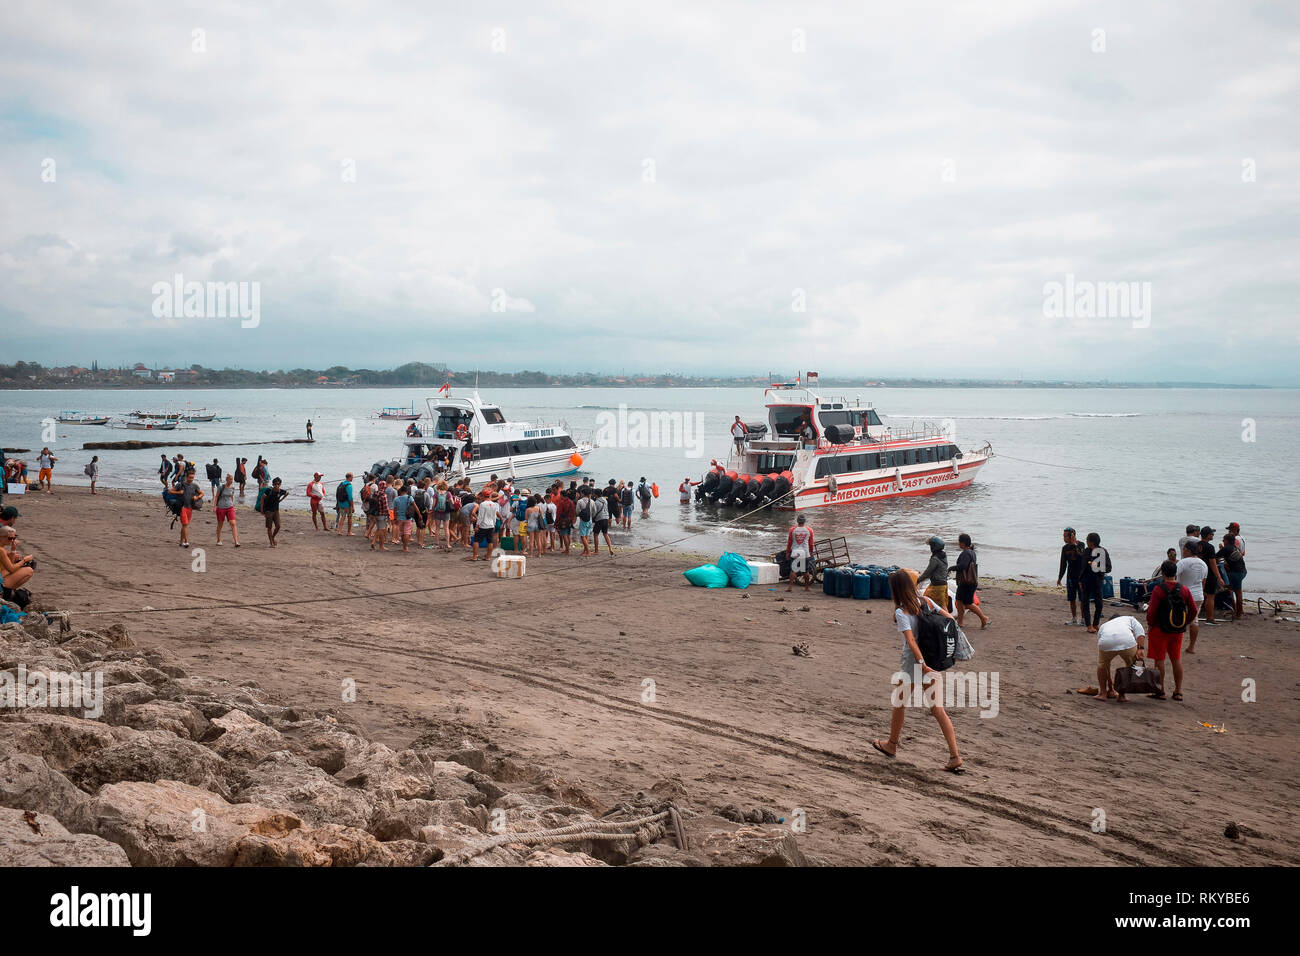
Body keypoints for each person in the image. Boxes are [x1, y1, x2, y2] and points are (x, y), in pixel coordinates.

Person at [871, 568, 964, 773]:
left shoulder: (901, 611)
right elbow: (949, 618)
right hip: (934, 658)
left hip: (915, 661)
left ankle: (892, 744)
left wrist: (920, 662)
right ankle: (955, 755)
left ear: (895, 590)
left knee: (899, 703)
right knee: (937, 709)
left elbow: (911, 641)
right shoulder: (927, 602)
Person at [1146, 560, 1194, 701]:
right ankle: (1178, 691)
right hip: (1177, 629)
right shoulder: (1184, 589)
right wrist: (1185, 622)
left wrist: (1150, 624)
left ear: (1163, 573)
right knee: (1176, 659)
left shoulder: (1159, 589)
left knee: (1159, 660)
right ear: (1175, 573)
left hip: (1159, 629)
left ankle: (1160, 690)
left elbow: (1152, 611)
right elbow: (1194, 609)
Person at [1092, 615, 1146, 703]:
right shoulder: (1130, 618)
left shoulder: (1104, 625)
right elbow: (1140, 633)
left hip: (1106, 641)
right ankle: (1122, 695)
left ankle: (1103, 693)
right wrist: (1141, 648)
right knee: (1130, 666)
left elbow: (1100, 641)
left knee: (1102, 665)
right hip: (1127, 641)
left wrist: (1110, 686)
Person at [1175, 541, 1206, 653]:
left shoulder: (1183, 562)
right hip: (1198, 595)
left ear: (1188, 550)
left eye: (1184, 549)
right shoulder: (1203, 564)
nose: (1183, 551)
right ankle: (1191, 647)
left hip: (1184, 594)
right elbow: (1203, 582)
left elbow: (1172, 577)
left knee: (1178, 620)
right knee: (1194, 621)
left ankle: (1176, 646)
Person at [953, 533, 989, 629]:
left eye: (959, 542)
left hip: (966, 582)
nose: (958, 544)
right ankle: (960, 622)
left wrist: (952, 568)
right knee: (960, 601)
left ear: (963, 543)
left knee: (967, 603)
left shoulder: (965, 553)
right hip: (971, 581)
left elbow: (963, 566)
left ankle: (983, 618)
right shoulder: (972, 552)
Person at [1079, 532, 1109, 634]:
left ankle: (1096, 623)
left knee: (1099, 604)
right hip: (1086, 581)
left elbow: (1109, 568)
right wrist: (1080, 580)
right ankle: (1089, 625)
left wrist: (1098, 566)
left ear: (1091, 542)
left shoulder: (1103, 552)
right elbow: (1082, 567)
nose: (1086, 542)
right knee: (1085, 603)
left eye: (1087, 540)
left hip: (1097, 581)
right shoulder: (1087, 551)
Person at [1056, 527, 1087, 626]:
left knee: (1082, 599)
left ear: (1072, 535)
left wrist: (1074, 543)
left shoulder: (1081, 544)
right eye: (1063, 536)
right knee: (1072, 598)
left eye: (1065, 536)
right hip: (1070, 576)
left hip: (1081, 577)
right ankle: (1074, 619)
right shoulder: (1064, 548)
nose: (1064, 538)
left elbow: (1081, 555)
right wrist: (1060, 577)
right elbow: (1063, 563)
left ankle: (1083, 619)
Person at [1196, 526, 1224, 625]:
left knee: (1198, 593)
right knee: (1210, 596)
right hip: (1208, 573)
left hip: (1198, 572)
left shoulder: (1196, 545)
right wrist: (1219, 577)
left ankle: (1194, 616)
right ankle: (1210, 618)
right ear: (1207, 535)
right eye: (1211, 534)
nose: (1213, 535)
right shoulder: (1210, 547)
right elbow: (1212, 563)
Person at [1217, 531, 1247, 621]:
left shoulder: (1226, 548)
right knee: (1234, 590)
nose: (1222, 540)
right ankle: (1238, 610)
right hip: (1242, 571)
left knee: (1236, 592)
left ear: (1227, 541)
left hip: (1236, 573)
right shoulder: (1235, 548)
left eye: (1224, 539)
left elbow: (1214, 557)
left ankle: (1238, 614)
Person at [0, 526, 35, 594]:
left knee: (15, 567)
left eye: (14, 538)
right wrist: (24, 560)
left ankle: (8, 591)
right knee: (29, 570)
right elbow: (11, 569)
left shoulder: (2, 549)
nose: (12, 541)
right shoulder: (1, 550)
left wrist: (13, 550)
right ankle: (6, 592)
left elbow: (10, 564)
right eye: (10, 538)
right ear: (1, 537)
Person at [175, 468, 203, 549]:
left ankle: (180, 542)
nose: (191, 479)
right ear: (186, 477)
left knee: (184, 525)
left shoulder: (195, 486)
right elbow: (170, 491)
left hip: (190, 508)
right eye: (190, 477)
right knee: (185, 524)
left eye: (192, 478)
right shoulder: (181, 485)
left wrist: (197, 497)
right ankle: (186, 542)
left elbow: (202, 493)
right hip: (182, 507)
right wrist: (178, 492)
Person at [920, 536, 949, 611]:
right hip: (943, 584)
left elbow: (928, 572)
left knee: (925, 600)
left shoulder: (935, 559)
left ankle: (949, 620)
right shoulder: (943, 556)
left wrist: (918, 580)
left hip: (937, 586)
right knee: (942, 605)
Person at [786, 515, 814, 592]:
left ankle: (790, 587)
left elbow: (789, 542)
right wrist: (811, 551)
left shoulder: (792, 530)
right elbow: (811, 543)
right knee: (805, 571)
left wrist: (788, 552)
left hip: (795, 552)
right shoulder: (809, 530)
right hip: (805, 552)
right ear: (804, 521)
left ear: (797, 521)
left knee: (793, 570)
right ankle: (806, 587)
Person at [470, 491, 499, 561]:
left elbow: (480, 516)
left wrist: (477, 526)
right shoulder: (494, 504)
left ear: (483, 496)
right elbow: (494, 516)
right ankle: (488, 557)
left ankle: (474, 556)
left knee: (476, 540)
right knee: (490, 541)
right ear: (489, 496)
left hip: (483, 525)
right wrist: (494, 524)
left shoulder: (482, 504)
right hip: (491, 524)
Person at [260, 477, 288, 547]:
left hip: (276, 511)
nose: (277, 485)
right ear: (273, 484)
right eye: (275, 484)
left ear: (280, 484)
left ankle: (272, 537)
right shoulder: (268, 490)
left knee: (278, 526)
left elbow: (287, 493)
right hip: (268, 511)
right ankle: (271, 543)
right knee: (269, 527)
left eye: (278, 484)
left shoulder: (280, 491)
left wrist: (281, 500)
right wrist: (261, 509)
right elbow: (262, 499)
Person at [214, 474, 240, 547]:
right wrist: (214, 507)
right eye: (230, 480)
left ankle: (236, 541)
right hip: (221, 507)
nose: (231, 481)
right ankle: (219, 540)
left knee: (233, 523)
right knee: (220, 524)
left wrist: (232, 505)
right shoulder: (221, 487)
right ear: (227, 480)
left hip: (230, 507)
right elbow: (216, 497)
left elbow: (231, 497)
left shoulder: (232, 488)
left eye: (232, 480)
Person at [392, 483, 416, 552]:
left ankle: (404, 546)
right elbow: (415, 506)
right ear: (406, 491)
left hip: (400, 518)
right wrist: (419, 514)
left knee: (402, 533)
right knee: (407, 532)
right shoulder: (410, 497)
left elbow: (395, 510)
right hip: (408, 518)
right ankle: (405, 547)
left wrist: (395, 518)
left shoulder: (396, 499)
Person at [591, 486, 614, 556]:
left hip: (599, 519)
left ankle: (596, 550)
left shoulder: (596, 502)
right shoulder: (605, 500)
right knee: (605, 534)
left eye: (594, 493)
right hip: (606, 518)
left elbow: (594, 512)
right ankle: (610, 548)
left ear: (596, 495)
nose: (593, 494)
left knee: (595, 534)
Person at [576, 488, 594, 557]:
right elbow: (594, 511)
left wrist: (580, 515)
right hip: (590, 519)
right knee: (586, 535)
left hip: (583, 520)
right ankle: (585, 551)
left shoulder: (580, 501)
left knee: (582, 536)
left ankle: (588, 551)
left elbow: (577, 511)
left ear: (583, 494)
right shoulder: (592, 501)